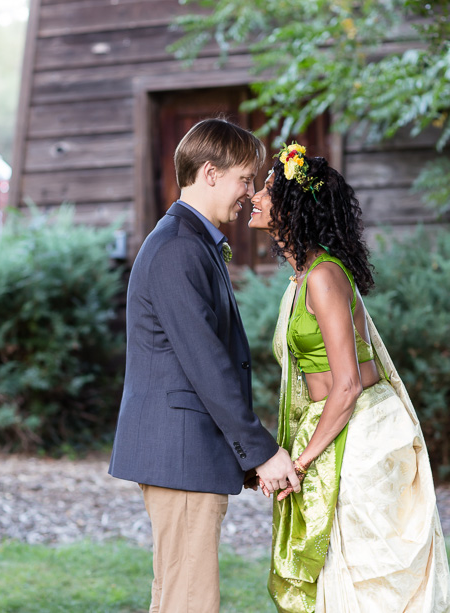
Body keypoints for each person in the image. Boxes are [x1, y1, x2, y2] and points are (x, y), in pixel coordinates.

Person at [248, 143, 450, 612]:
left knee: (361, 573)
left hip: (358, 434)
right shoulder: (304, 275)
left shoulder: (321, 276)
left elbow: (346, 384)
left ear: (292, 207)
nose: (255, 198)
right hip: (343, 424)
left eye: (267, 190)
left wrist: (300, 464)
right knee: (340, 570)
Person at [109, 118, 301, 613]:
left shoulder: (192, 241)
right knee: (190, 601)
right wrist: (261, 452)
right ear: (210, 173)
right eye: (245, 178)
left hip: (185, 450)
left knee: (176, 597)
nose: (250, 192)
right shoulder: (178, 248)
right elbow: (207, 364)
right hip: (180, 450)